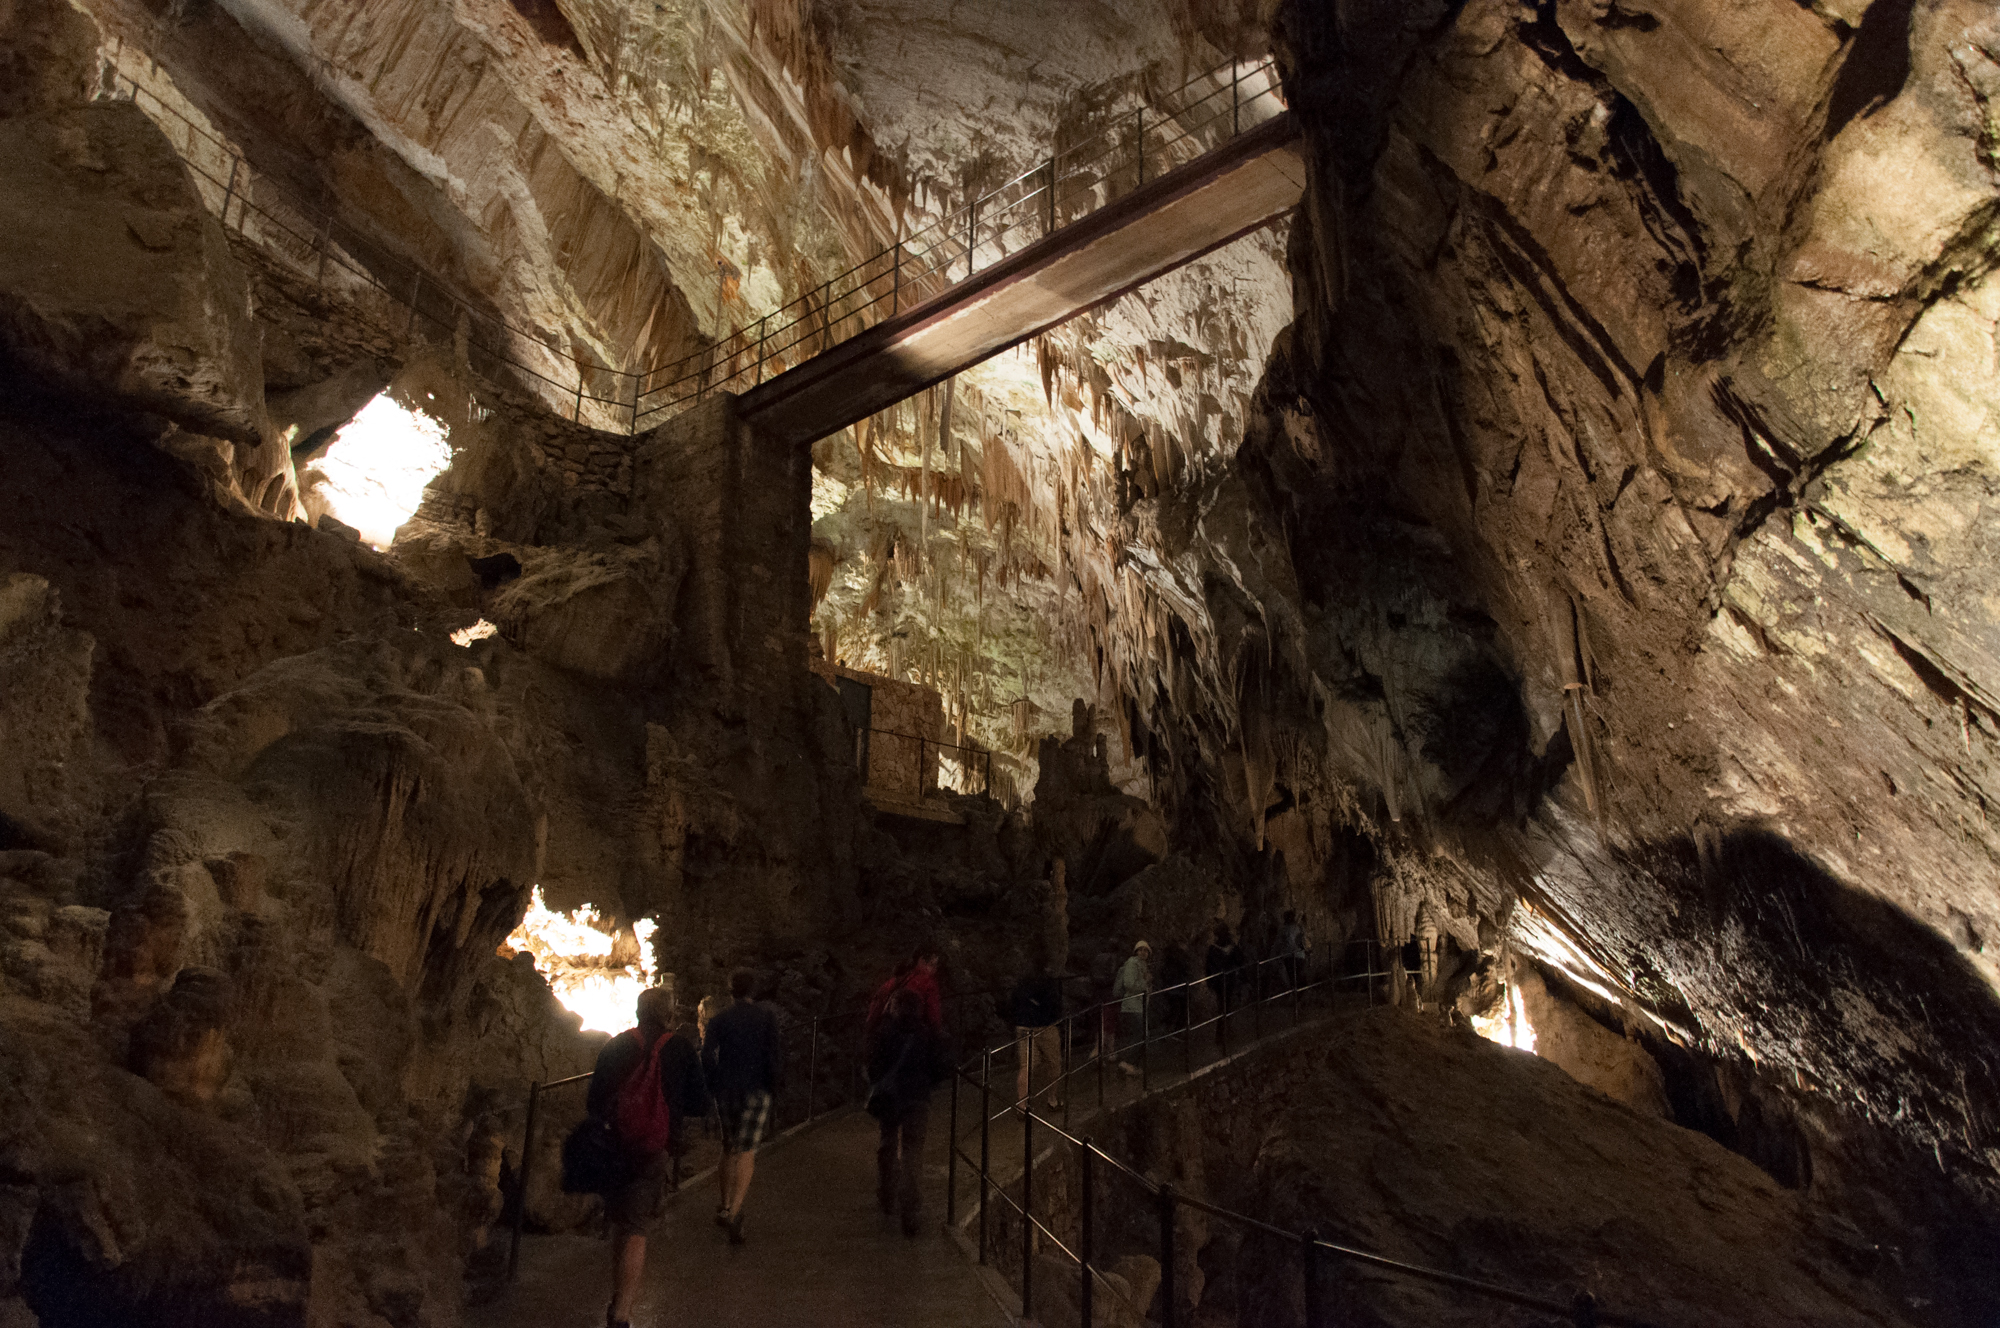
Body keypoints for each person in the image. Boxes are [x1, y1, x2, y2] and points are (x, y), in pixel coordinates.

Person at [587, 986, 711, 1328]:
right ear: (669, 1014)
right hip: (652, 1148)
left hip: (615, 1147)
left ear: (639, 1010)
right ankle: (623, 1312)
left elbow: (594, 1101)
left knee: (621, 1223)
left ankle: (617, 1297)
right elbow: (700, 1104)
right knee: (637, 1228)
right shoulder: (681, 1048)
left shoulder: (616, 1045)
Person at [701, 968, 782, 1245]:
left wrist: (713, 1082)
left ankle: (724, 1206)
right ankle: (735, 1213)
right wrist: (774, 1086)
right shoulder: (766, 1017)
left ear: (731, 989)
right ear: (753, 990)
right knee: (746, 1150)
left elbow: (708, 1054)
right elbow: (773, 1054)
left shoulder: (719, 1019)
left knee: (728, 1145)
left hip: (726, 1088)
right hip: (756, 1088)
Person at [866, 987, 951, 1236]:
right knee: (913, 1153)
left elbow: (873, 1067)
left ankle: (887, 1193)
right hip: (917, 1098)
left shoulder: (883, 1033)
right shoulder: (927, 1035)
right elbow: (939, 1067)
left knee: (888, 1143)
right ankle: (910, 1211)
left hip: (890, 1099)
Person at [1009, 945, 1065, 1111]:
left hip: (1023, 1026)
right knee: (1054, 1063)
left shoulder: (1022, 980)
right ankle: (1052, 1100)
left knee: (1026, 1066)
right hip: (1044, 1026)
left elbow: (1013, 1001)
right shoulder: (1047, 981)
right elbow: (1054, 1004)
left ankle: (1022, 1103)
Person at [866, 946, 945, 1033]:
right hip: (913, 1037)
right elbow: (934, 1017)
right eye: (932, 965)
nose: (935, 970)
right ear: (921, 961)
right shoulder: (928, 983)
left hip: (887, 1038)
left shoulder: (893, 982)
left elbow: (874, 1012)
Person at [1111, 940, 1151, 1076]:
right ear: (1135, 952)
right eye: (1140, 950)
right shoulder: (1132, 964)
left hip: (1138, 1005)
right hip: (1132, 1006)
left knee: (1140, 1035)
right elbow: (1129, 984)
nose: (1143, 952)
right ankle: (1128, 1063)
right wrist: (1145, 982)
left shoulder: (1142, 965)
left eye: (1145, 950)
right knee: (1141, 1034)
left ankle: (1132, 1065)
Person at [1205, 922, 1244, 1015]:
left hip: (1221, 980)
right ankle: (1225, 1024)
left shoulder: (1213, 949)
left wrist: (1210, 980)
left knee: (1223, 1003)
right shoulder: (1230, 948)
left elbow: (1209, 966)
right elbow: (1240, 960)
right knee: (1226, 1003)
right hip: (1228, 978)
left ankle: (1223, 1024)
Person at [1281, 910, 1311, 989]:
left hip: (1289, 956)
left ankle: (1296, 994)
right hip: (1298, 955)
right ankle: (1299, 994)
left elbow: (1282, 943)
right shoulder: (1298, 928)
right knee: (1299, 976)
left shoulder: (1284, 930)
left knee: (1293, 978)